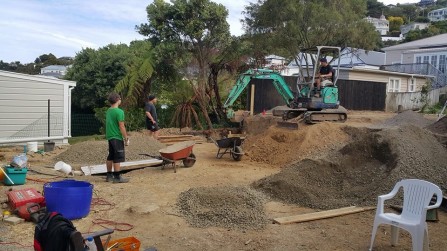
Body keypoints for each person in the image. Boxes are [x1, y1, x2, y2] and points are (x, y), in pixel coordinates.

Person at [105, 93, 129, 183]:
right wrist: (126, 138)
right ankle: (117, 177)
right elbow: (121, 126)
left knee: (110, 155)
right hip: (116, 136)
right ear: (118, 100)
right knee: (117, 156)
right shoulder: (119, 112)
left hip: (110, 136)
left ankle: (109, 175)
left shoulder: (109, 110)